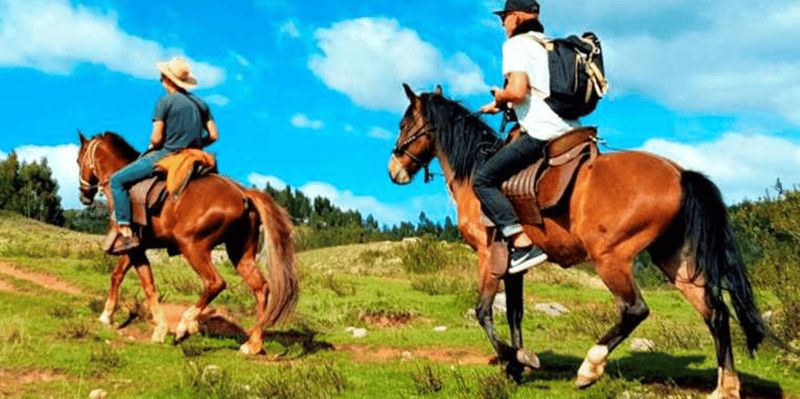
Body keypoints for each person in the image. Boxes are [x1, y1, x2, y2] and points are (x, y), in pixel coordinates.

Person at [476, 0, 581, 274]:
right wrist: (500, 105)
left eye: (505, 18)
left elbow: (519, 90)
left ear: (517, 16)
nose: (503, 24)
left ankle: (522, 243)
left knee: (484, 180)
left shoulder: (516, 44)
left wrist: (501, 95)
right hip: (573, 130)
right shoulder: (551, 45)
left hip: (542, 131)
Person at [107, 56, 219, 253]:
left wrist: (154, 144)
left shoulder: (164, 102)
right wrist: (198, 142)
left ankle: (125, 229)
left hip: (168, 154)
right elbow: (214, 135)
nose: (160, 80)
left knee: (117, 180)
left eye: (161, 77)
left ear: (167, 79)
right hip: (196, 156)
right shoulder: (201, 104)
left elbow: (157, 139)